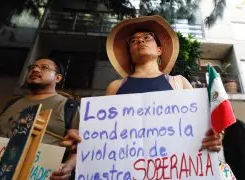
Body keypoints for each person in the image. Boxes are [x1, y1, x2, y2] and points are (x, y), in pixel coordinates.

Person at [62, 15, 223, 157]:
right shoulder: (115, 87)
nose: (140, 41)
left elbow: (201, 128)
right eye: (133, 41)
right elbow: (100, 134)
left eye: (147, 37)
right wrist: (81, 139)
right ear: (130, 53)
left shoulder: (179, 82)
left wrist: (214, 138)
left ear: (159, 50)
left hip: (172, 168)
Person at [0, 57, 79, 180]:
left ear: (58, 78)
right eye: (32, 67)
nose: (35, 69)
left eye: (44, 67)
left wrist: (69, 166)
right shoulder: (12, 103)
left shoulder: (69, 106)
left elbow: (80, 145)